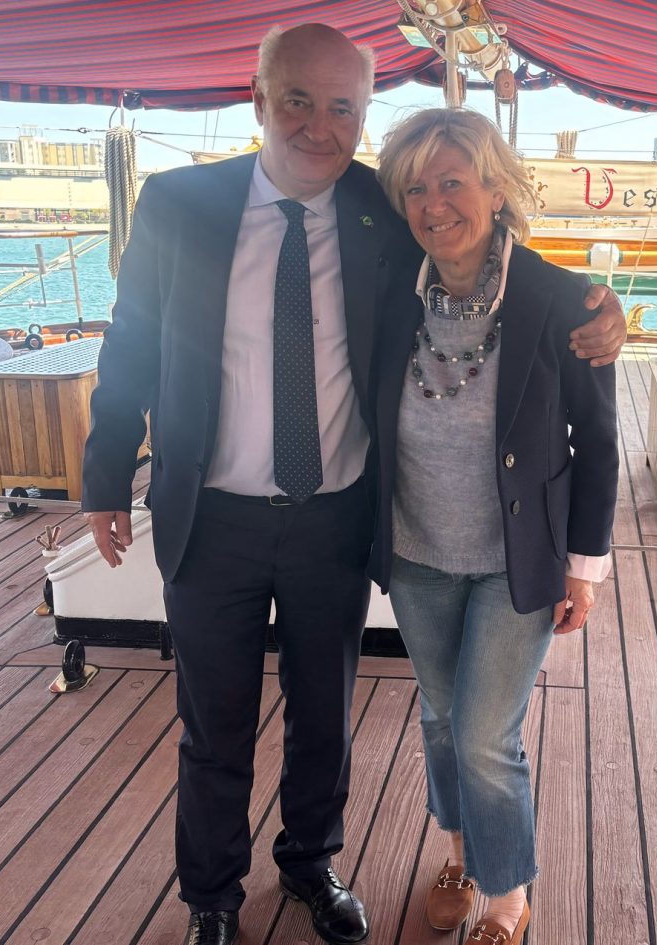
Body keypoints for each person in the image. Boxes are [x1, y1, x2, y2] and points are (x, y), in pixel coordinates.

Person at [80, 25, 626, 945]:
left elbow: (487, 249)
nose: (319, 125)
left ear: (363, 116)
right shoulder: (178, 205)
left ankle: (311, 864)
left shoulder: (381, 209)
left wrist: (606, 308)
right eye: (298, 100)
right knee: (213, 725)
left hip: (333, 517)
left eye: (343, 107)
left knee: (325, 718)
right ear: (259, 99)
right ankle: (212, 897)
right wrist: (103, 479)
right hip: (209, 519)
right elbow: (129, 344)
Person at [371, 108, 619, 945]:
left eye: (453, 182)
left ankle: (507, 891)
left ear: (497, 190)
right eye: (416, 189)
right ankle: (460, 855)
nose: (434, 204)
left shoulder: (562, 299)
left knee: (483, 734)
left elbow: (598, 440)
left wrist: (584, 565)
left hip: (516, 561)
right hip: (416, 553)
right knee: (443, 719)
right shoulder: (390, 289)